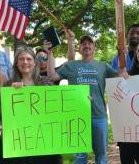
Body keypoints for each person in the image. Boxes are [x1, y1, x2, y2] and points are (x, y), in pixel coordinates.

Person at [47, 35, 121, 164]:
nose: (86, 45)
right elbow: (52, 76)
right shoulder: (71, 66)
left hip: (99, 116)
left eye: (89, 43)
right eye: (83, 44)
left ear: (94, 47)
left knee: (101, 157)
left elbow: (120, 75)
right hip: (78, 118)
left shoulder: (103, 66)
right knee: (80, 158)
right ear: (79, 48)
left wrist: (121, 54)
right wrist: (49, 53)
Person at [3, 46, 62, 164]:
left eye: (29, 59)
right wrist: (12, 92)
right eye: (21, 59)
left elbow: (58, 108)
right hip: (19, 144)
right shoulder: (8, 85)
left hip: (44, 142)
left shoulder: (46, 83)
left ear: (34, 63)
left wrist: (83, 99)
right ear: (16, 63)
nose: (25, 62)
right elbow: (4, 113)